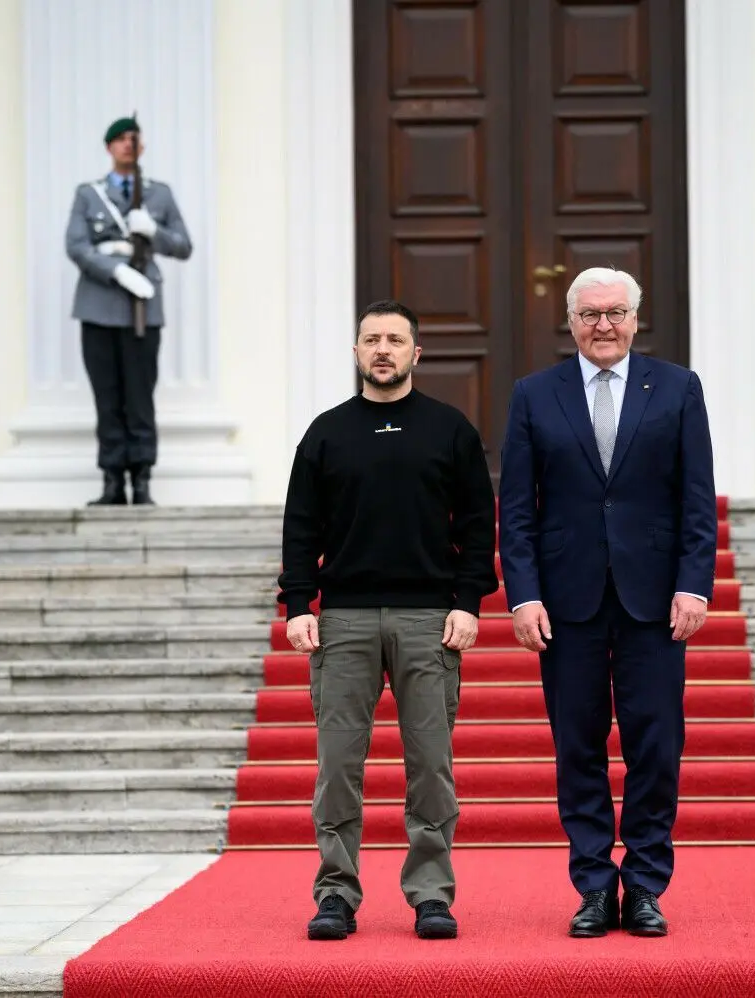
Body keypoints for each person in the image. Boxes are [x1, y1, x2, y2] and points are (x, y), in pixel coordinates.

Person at [497, 267, 717, 939]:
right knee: (577, 747)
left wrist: (694, 582)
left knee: (656, 744)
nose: (603, 325)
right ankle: (593, 882)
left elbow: (697, 497)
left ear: (635, 319)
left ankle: (646, 884)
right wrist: (523, 594)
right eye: (590, 314)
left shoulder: (678, 388)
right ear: (571, 322)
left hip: (655, 599)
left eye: (615, 312)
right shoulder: (535, 395)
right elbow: (518, 511)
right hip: (568, 603)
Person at [277, 299, 498, 942]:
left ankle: (431, 894)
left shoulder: (449, 430)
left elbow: (478, 525)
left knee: (430, 765)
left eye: (395, 340)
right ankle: (336, 895)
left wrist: (467, 603)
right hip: (342, 620)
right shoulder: (326, 433)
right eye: (371, 339)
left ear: (415, 353)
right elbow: (300, 527)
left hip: (429, 618)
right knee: (338, 766)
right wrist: (298, 604)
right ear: (355, 352)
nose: (382, 350)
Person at [65, 116, 192, 507]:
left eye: (133, 140)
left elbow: (183, 246)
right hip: (99, 304)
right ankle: (111, 481)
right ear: (109, 147)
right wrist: (116, 270)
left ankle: (141, 479)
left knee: (139, 396)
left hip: (143, 309)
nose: (127, 145)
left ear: (142, 147)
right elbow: (76, 246)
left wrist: (153, 231)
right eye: (119, 139)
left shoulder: (159, 194)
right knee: (107, 396)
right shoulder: (89, 194)